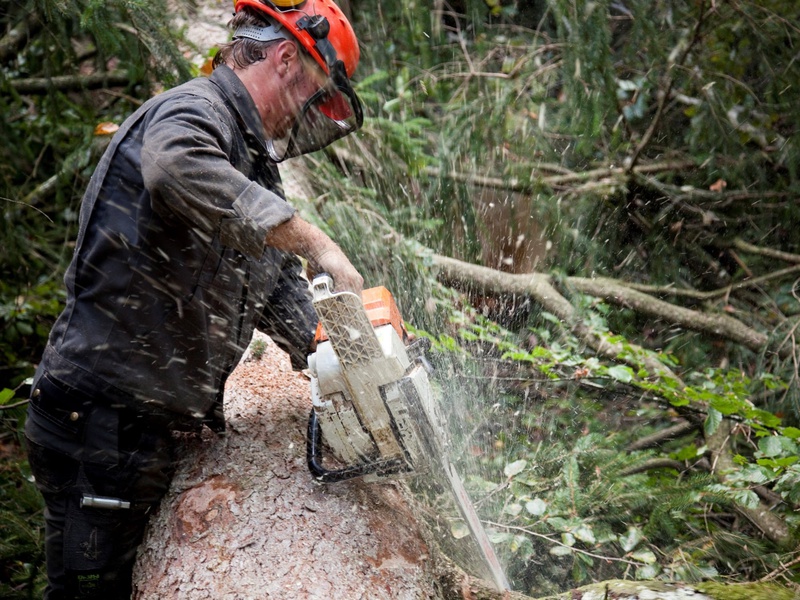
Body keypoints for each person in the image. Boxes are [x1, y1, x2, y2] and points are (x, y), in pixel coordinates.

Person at [24, 0, 364, 597]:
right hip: (100, 425)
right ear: (286, 59)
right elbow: (175, 166)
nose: (307, 114)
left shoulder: (251, 161)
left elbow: (274, 285)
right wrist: (318, 241)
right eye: (314, 90)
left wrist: (349, 349)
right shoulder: (193, 112)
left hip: (139, 429)